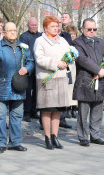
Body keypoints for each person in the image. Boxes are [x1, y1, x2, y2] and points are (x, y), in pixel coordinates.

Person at [0, 22, 34, 154]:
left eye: (15, 30)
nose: (13, 32)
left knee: (17, 116)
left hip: (19, 86)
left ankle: (15, 142)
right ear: (4, 32)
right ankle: (1, 143)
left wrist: (27, 68)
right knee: (0, 117)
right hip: (1, 86)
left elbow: (30, 61)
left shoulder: (23, 47)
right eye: (10, 30)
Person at [34, 16, 71, 150]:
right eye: (52, 26)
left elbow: (70, 55)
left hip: (60, 78)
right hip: (47, 78)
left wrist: (68, 62)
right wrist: (56, 64)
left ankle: (55, 136)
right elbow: (39, 59)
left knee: (57, 110)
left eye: (57, 26)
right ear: (45, 28)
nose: (56, 28)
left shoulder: (62, 41)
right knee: (47, 109)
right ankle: (47, 137)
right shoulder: (40, 41)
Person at [73, 18, 104, 147]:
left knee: (97, 110)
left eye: (94, 29)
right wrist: (97, 70)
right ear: (83, 29)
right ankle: (83, 136)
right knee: (83, 111)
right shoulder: (77, 42)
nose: (92, 31)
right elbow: (82, 59)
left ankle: (95, 135)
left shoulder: (100, 42)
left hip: (100, 79)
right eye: (89, 29)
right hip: (85, 80)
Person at [19, 17, 41, 122]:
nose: (34, 27)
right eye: (32, 25)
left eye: (35, 25)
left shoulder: (41, 36)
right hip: (28, 67)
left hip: (39, 67)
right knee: (27, 91)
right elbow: (24, 52)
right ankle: (26, 112)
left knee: (37, 91)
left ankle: (34, 110)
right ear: (28, 25)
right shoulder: (24, 36)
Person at [58, 18, 75, 126]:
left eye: (59, 23)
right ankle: (44, 121)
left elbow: (70, 50)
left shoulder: (66, 36)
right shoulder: (43, 37)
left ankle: (62, 118)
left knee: (64, 94)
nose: (58, 26)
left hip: (66, 67)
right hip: (53, 67)